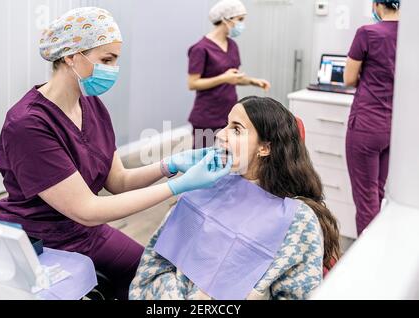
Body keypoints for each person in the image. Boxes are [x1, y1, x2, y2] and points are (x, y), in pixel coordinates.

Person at [0, 7, 231, 300]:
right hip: (41, 239)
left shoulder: (91, 105)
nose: (114, 69)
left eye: (116, 59)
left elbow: (117, 180)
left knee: (151, 274)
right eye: (107, 59)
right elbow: (86, 209)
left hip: (85, 232)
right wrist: (178, 186)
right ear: (71, 55)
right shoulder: (28, 124)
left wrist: (170, 165)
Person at [129, 97, 341, 300]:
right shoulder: (203, 189)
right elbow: (156, 264)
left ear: (265, 148)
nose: (221, 135)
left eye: (236, 129)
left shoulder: (298, 220)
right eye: (226, 125)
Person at [344, 0, 400, 235]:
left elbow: (348, 79)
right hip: (392, 127)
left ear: (377, 5)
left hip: (367, 125)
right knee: (377, 191)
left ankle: (366, 262)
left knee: (366, 200)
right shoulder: (409, 35)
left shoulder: (367, 33)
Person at [188, 0, 271, 148]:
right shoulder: (200, 48)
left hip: (230, 113)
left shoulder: (232, 45)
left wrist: (253, 81)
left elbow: (234, 77)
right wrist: (223, 78)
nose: (242, 25)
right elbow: (193, 83)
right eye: (240, 20)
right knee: (200, 158)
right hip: (207, 114)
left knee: (227, 157)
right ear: (226, 19)